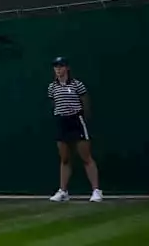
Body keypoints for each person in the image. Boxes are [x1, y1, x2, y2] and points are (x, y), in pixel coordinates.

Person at [48, 57, 103, 203]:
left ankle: (96, 191)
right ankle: (63, 191)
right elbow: (54, 103)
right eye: (56, 67)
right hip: (61, 122)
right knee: (64, 158)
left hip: (76, 121)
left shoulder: (77, 85)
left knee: (86, 157)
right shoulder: (52, 87)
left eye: (61, 66)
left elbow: (85, 102)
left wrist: (83, 118)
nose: (58, 69)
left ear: (67, 68)